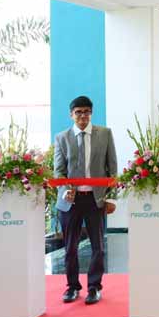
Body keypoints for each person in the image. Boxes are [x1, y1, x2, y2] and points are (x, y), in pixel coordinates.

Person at [53, 95, 118, 305]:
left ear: (91, 113)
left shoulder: (105, 134)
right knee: (70, 247)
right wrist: (65, 190)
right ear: (71, 115)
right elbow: (59, 171)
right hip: (70, 201)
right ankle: (72, 287)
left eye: (86, 112)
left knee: (98, 246)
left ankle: (94, 287)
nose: (83, 116)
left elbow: (112, 168)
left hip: (95, 199)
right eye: (78, 112)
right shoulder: (62, 138)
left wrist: (112, 198)